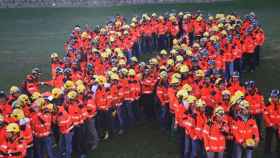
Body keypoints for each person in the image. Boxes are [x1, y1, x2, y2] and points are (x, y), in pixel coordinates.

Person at [263, 90, 280, 157]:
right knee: (268, 139)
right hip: (270, 125)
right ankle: (267, 152)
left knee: (279, 139)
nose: (273, 98)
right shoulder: (267, 105)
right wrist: (271, 124)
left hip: (278, 125)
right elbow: (265, 116)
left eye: (275, 97)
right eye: (272, 97)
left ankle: (278, 151)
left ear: (278, 97)